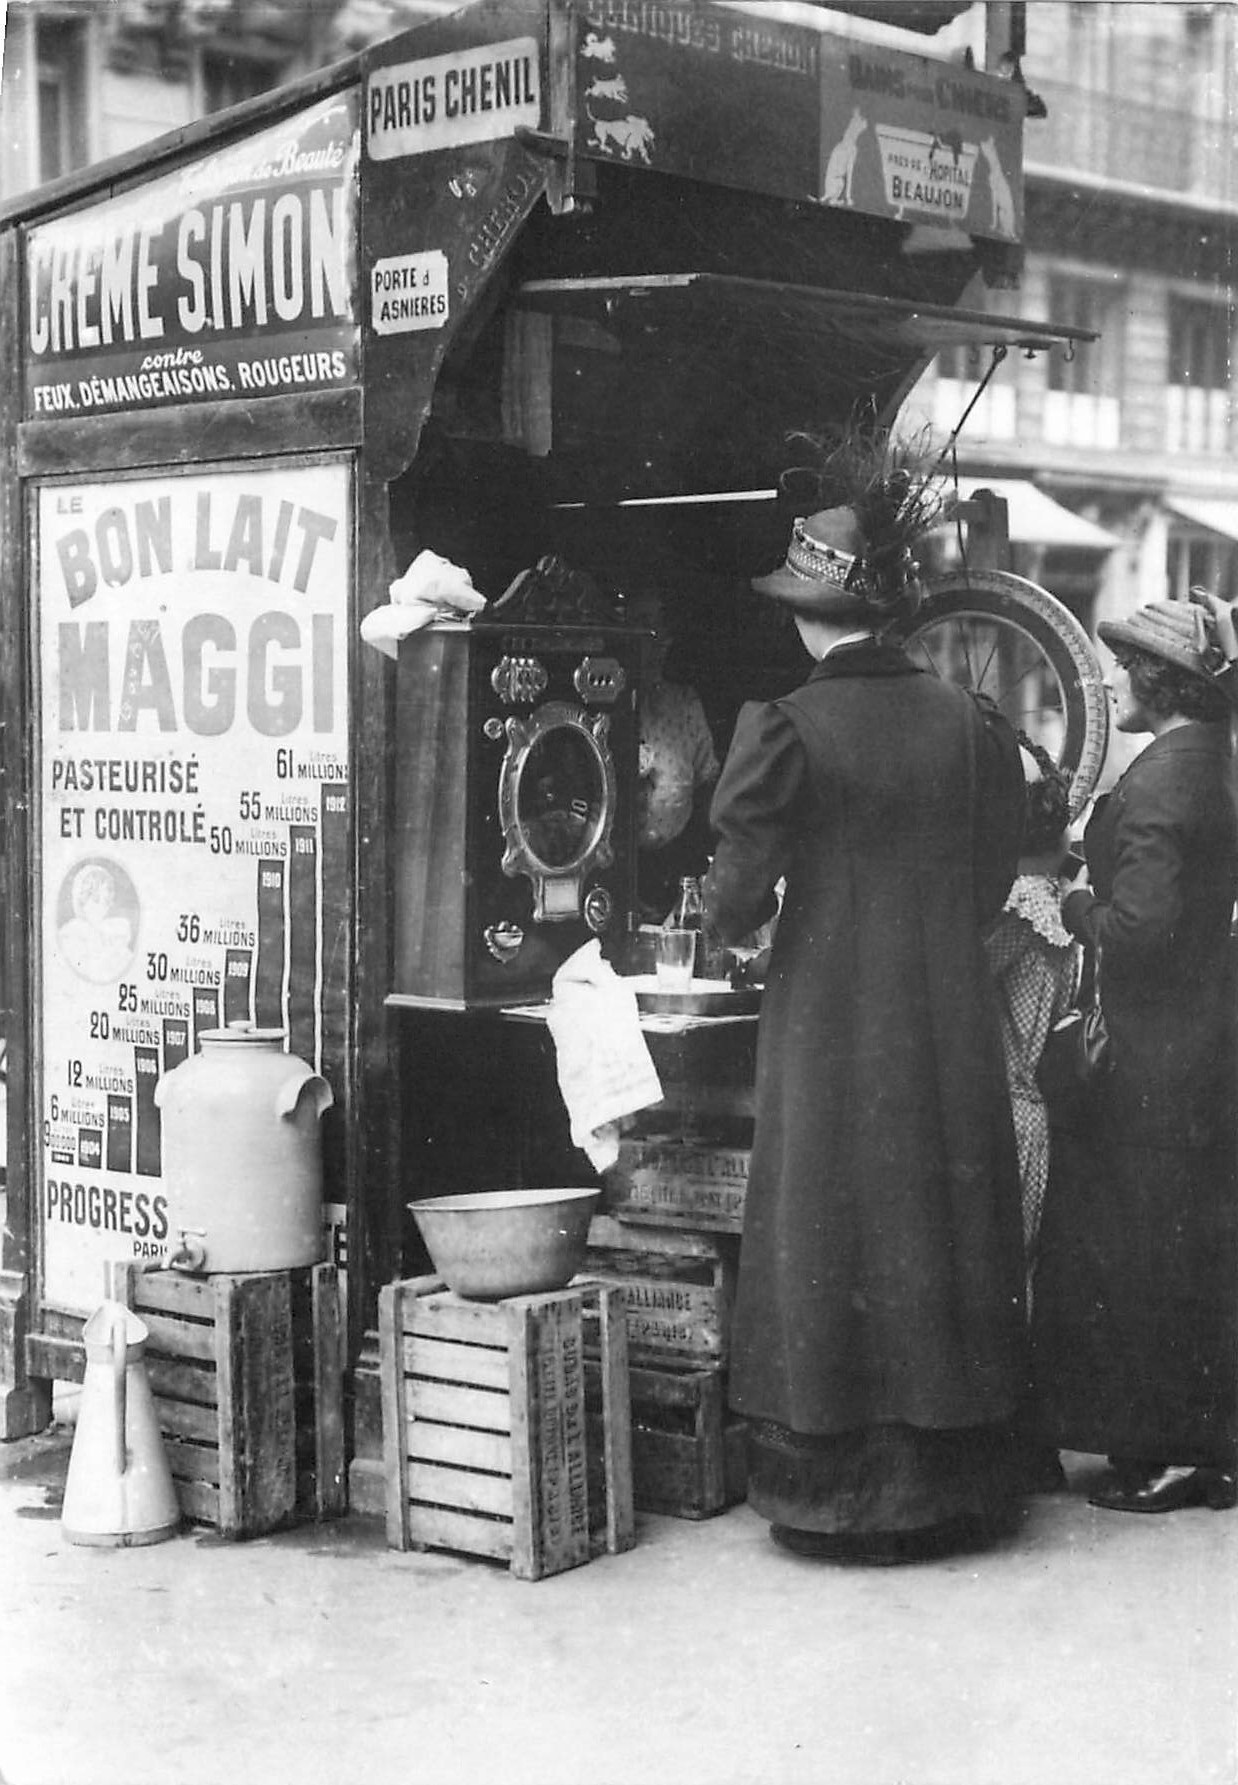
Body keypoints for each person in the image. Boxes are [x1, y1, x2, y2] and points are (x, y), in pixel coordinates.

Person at [704, 476, 1029, 1563]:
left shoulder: (789, 727)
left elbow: (737, 898)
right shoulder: (967, 723)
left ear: (809, 616)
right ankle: (948, 1481)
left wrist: (741, 925)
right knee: (938, 1218)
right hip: (942, 1012)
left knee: (828, 1217)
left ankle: (834, 1493)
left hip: (830, 1016)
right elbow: (992, 876)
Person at [1031, 597, 1238, 1514]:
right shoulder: (1208, 767)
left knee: (1150, 1254)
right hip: (1198, 1042)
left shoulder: (1162, 780)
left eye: (1125, 668)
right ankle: (1203, 1447)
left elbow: (1142, 930)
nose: (1114, 681)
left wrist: (1071, 905)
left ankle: (1171, 1453)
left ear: (1164, 682)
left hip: (1154, 1056)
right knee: (1189, 1247)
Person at [983, 737, 1080, 1304]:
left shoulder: (1022, 906)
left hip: (1007, 1118)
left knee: (1000, 1284)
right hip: (1021, 1113)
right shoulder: (1049, 893)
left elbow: (949, 977)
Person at [626, 591, 719, 920]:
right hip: (615, 872)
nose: (658, 642)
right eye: (644, 628)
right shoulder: (602, 705)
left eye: (662, 631)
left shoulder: (683, 704)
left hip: (673, 871)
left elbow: (707, 787)